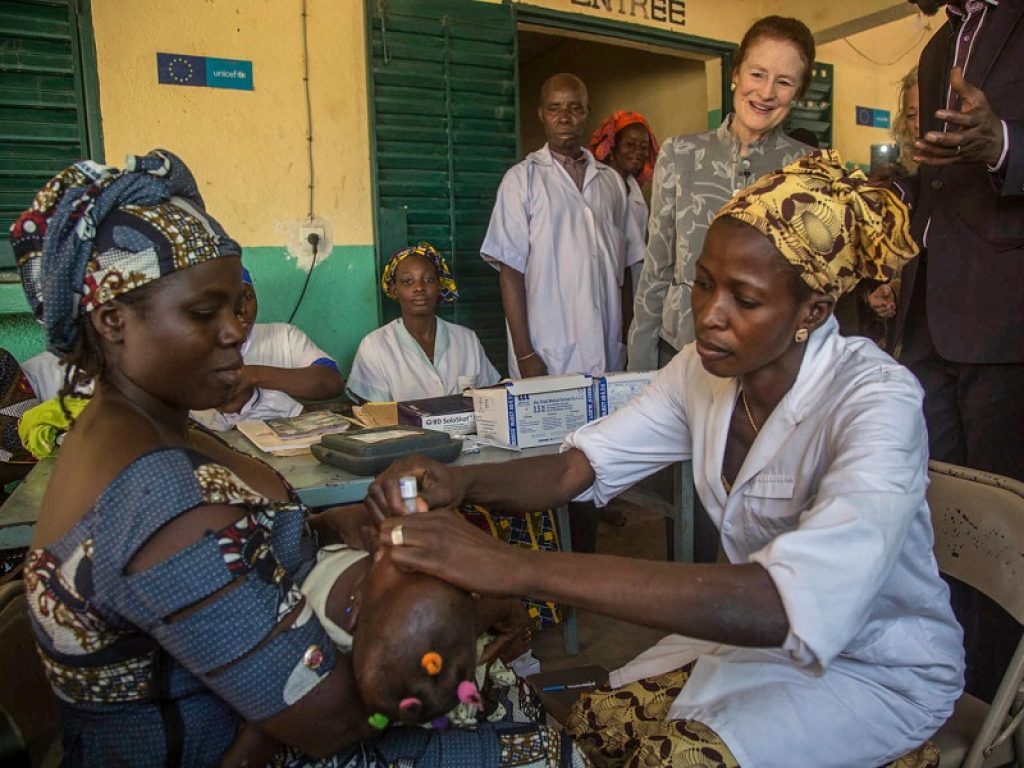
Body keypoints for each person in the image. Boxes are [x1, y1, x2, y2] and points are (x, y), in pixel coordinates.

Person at [367, 152, 964, 768]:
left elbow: (783, 601)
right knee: (596, 723)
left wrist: (518, 567)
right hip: (758, 644)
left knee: (675, 758)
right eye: (704, 283)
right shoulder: (700, 373)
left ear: (811, 312)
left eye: (745, 300)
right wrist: (460, 482)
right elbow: (578, 467)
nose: (709, 316)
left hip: (875, 668)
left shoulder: (876, 402)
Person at [11, 151, 584, 767]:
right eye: (205, 313)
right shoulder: (159, 504)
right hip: (286, 740)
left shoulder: (159, 432)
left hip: (284, 698)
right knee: (525, 742)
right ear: (111, 320)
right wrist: (452, 635)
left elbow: (238, 555)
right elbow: (332, 723)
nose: (236, 330)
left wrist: (326, 527)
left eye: (237, 304)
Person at [891, 0, 1024, 705]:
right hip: (928, 318)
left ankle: (998, 703)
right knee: (934, 517)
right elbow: (941, 182)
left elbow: (988, 154)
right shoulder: (939, 44)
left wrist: (1003, 142)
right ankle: (943, 683)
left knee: (1004, 534)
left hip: (1005, 328)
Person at [627, 15, 816, 372]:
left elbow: (814, 288)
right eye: (757, 74)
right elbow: (656, 270)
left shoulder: (809, 169)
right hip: (680, 353)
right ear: (735, 75)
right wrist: (638, 370)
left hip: (766, 365)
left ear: (799, 93)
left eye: (784, 81)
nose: (766, 93)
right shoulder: (679, 154)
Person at [482, 73, 644, 379]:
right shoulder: (522, 180)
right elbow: (510, 272)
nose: (564, 118)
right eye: (555, 109)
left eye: (574, 108)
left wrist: (627, 341)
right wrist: (525, 353)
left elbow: (624, 270)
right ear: (542, 114)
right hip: (545, 353)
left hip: (608, 351)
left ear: (585, 113)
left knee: (605, 427)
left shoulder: (610, 181)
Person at [190, 266, 344, 430]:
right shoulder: (189, 349)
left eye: (248, 297)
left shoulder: (284, 337)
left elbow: (332, 383)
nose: (243, 310)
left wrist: (253, 375)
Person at [346, 243, 499, 402]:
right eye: (407, 281)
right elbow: (374, 416)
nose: (419, 287)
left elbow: (491, 399)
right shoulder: (374, 346)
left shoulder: (467, 340)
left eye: (429, 279)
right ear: (393, 289)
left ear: (440, 286)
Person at [588, 111, 660, 346]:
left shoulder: (633, 186)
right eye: (629, 144)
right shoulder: (598, 186)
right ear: (612, 145)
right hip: (604, 284)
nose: (638, 152)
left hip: (632, 285)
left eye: (642, 146)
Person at [861, 65, 920, 346]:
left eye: (930, 110)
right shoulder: (903, 188)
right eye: (911, 114)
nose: (919, 123)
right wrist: (893, 290)